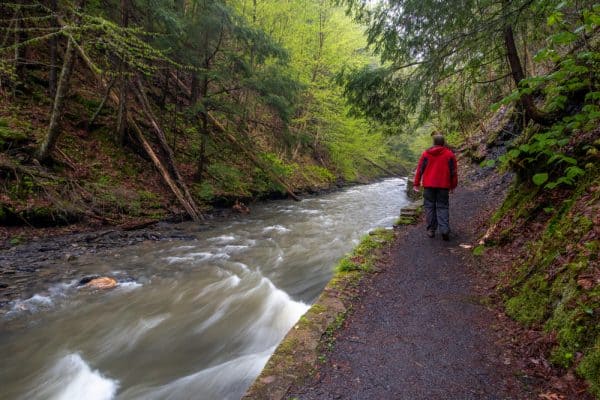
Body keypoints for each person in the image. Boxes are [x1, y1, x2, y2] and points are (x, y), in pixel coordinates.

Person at [413, 133, 458, 241]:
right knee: (443, 207)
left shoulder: (426, 154)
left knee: (429, 207)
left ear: (433, 143)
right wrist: (453, 186)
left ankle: (431, 230)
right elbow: (453, 172)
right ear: (443, 143)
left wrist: (416, 184)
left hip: (428, 186)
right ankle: (444, 230)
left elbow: (420, 169)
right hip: (443, 186)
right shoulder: (450, 155)